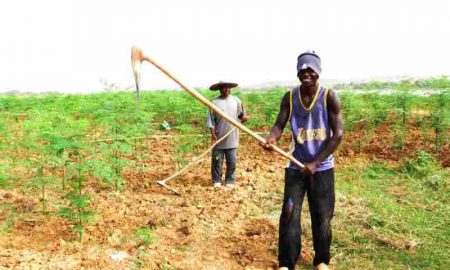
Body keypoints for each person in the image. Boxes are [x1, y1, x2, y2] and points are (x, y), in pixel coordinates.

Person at [262, 51, 344, 270]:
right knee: (289, 213)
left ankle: (322, 261)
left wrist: (316, 163)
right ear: (297, 72)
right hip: (296, 165)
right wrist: (272, 138)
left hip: (322, 167)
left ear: (318, 73)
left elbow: (338, 135)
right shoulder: (289, 97)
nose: (306, 73)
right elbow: (279, 124)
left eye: (311, 70)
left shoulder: (329, 96)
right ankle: (287, 263)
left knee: (322, 215)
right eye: (302, 69)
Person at [206, 81, 248, 188]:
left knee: (232, 161)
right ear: (220, 89)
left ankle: (230, 180)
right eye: (224, 88)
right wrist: (212, 133)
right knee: (216, 161)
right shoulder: (214, 103)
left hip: (232, 137)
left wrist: (244, 118)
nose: (227, 89)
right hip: (219, 137)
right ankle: (217, 180)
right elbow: (211, 120)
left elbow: (241, 115)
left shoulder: (236, 101)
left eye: (228, 88)